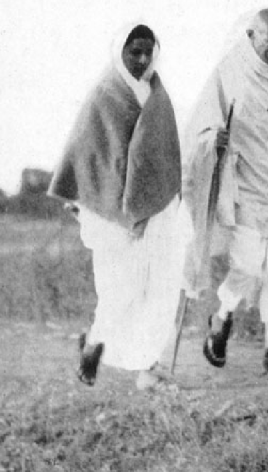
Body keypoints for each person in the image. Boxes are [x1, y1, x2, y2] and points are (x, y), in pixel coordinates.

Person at [49, 23, 183, 391]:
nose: (142, 59)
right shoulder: (104, 94)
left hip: (155, 209)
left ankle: (148, 369)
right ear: (119, 52)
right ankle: (94, 343)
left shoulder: (158, 95)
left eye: (148, 52)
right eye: (134, 51)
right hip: (111, 212)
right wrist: (90, 198)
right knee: (120, 289)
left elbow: (166, 155)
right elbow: (87, 154)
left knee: (158, 287)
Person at [182, 8, 268, 376]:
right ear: (251, 36)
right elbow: (202, 124)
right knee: (248, 265)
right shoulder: (229, 71)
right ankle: (221, 318)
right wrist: (213, 138)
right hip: (247, 183)